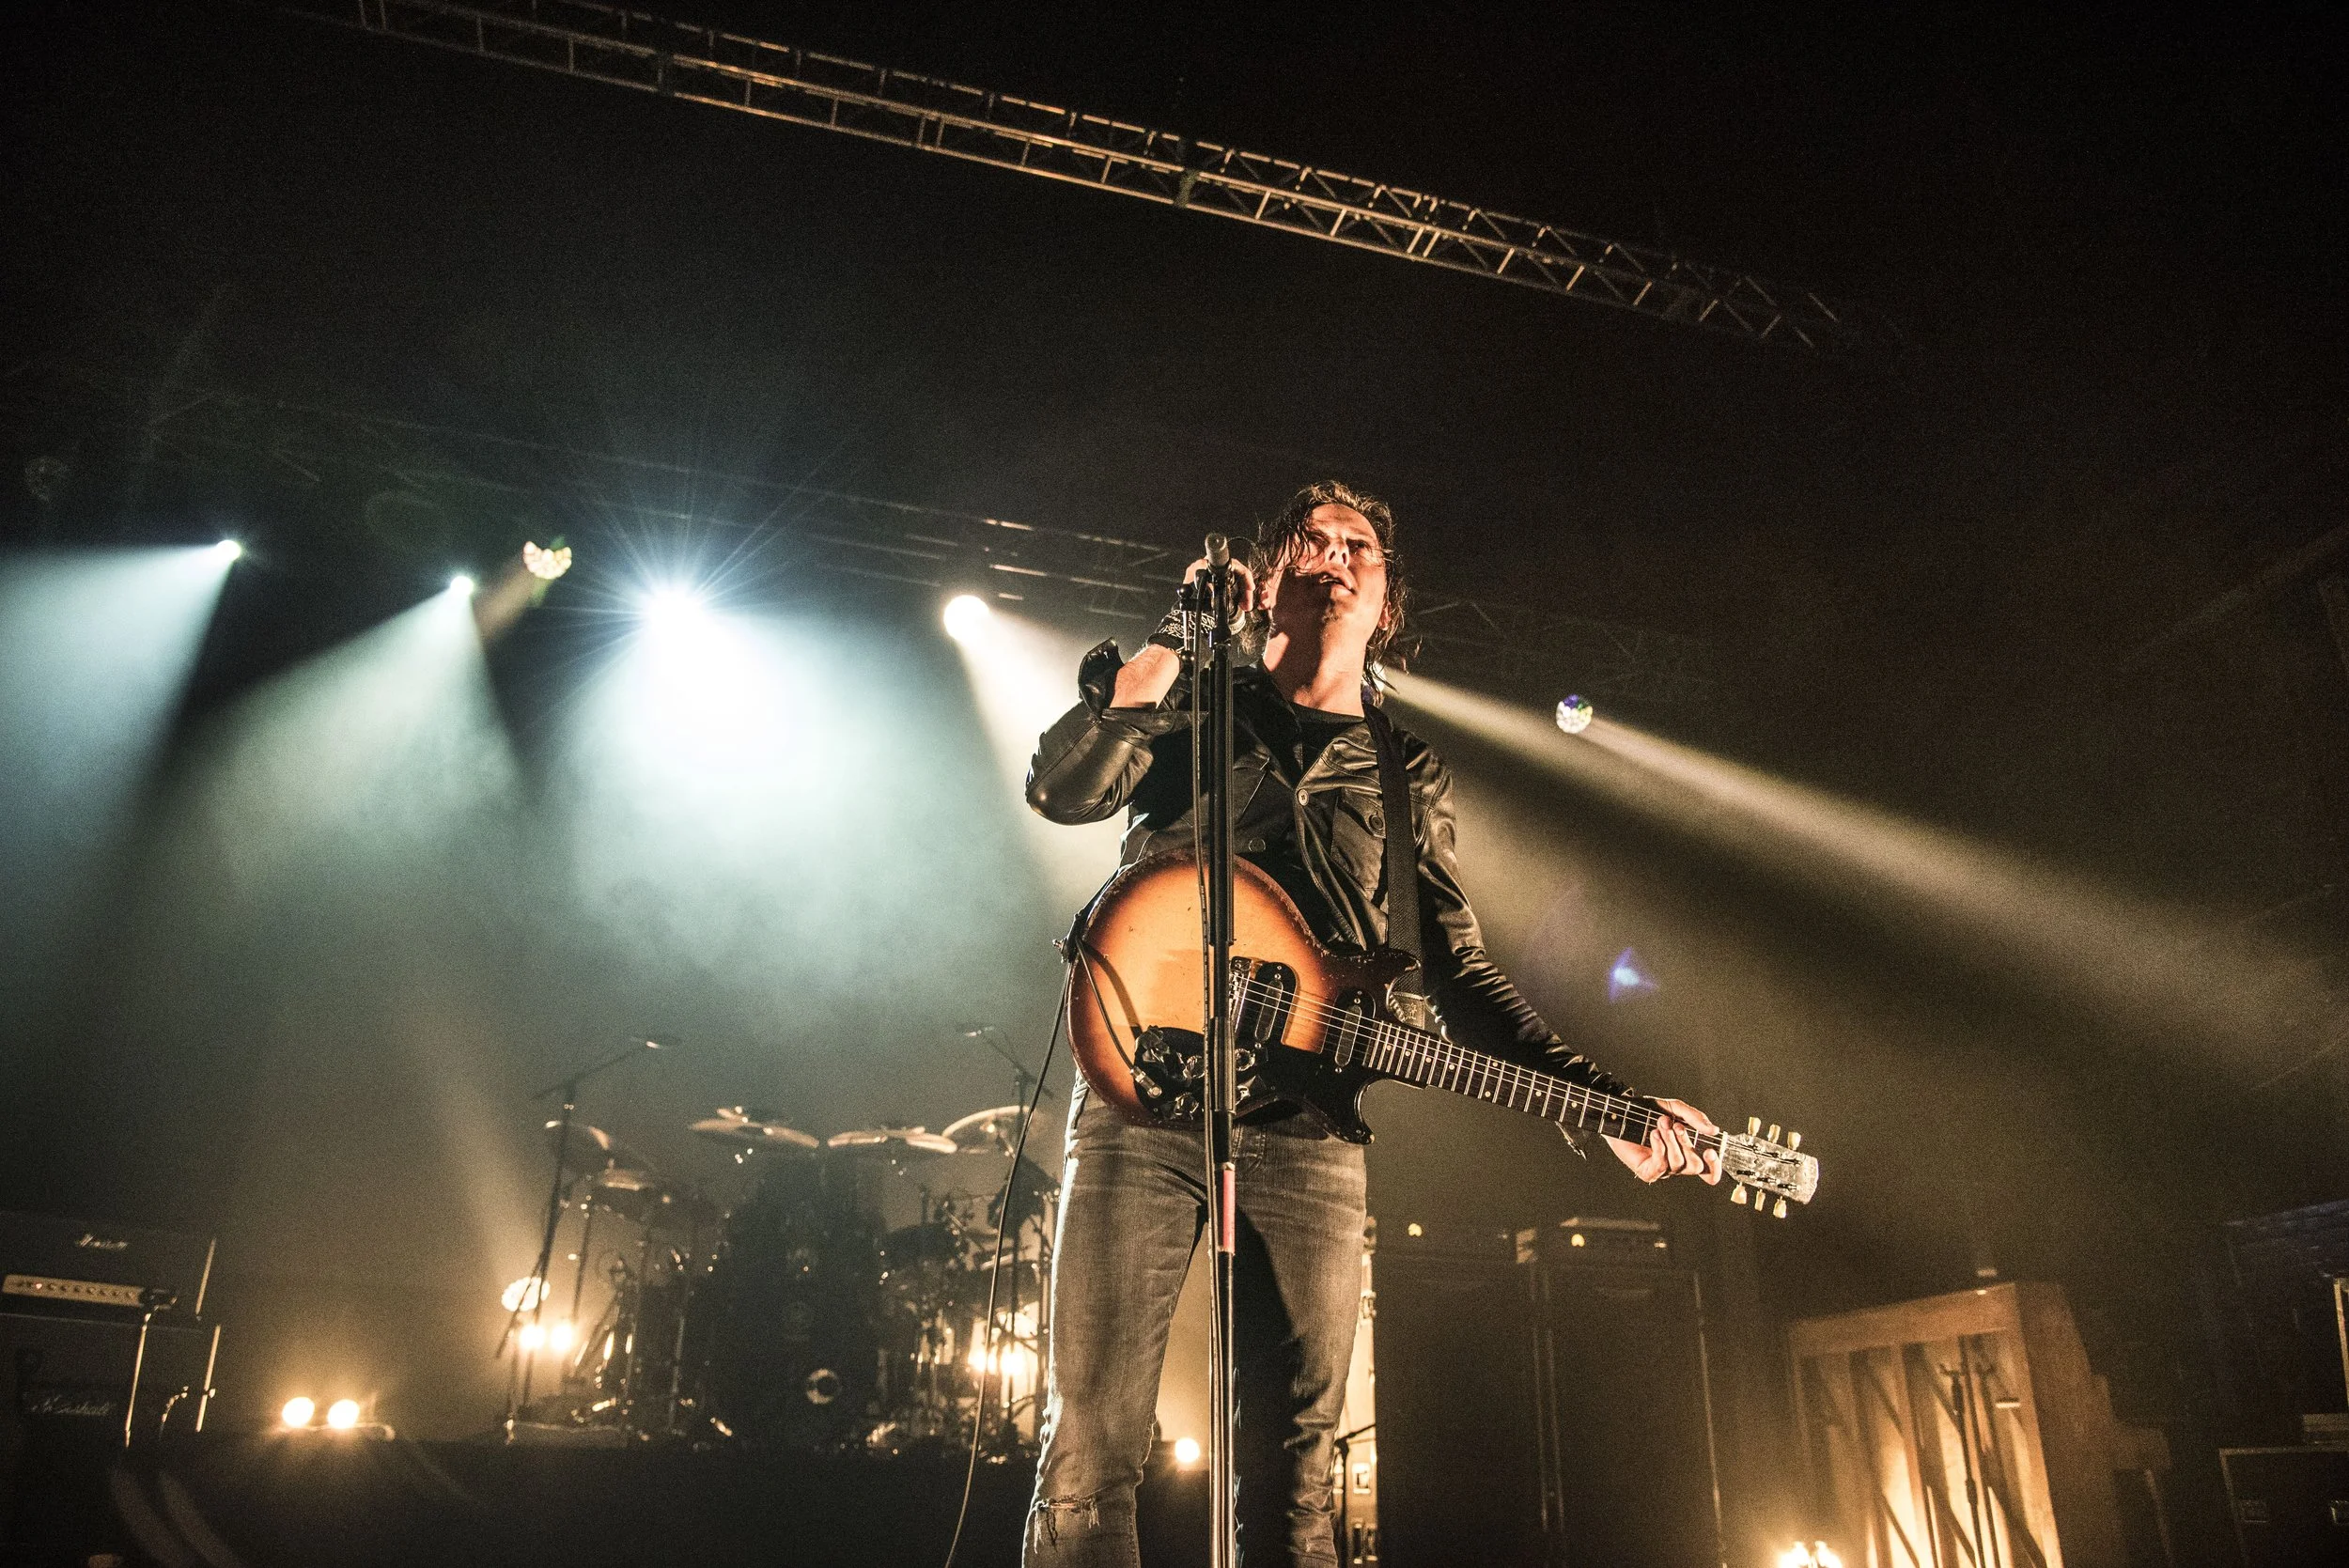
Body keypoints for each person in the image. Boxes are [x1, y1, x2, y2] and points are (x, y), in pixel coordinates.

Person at [1020, 480, 1721, 1567]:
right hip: (1143, 1099)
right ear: (1265, 582)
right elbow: (1063, 790)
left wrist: (1611, 1106)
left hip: (1311, 1136)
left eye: (1359, 547)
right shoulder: (1193, 708)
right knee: (1089, 1458)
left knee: (1297, 1480)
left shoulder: (1407, 773)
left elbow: (1461, 976)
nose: (1335, 557)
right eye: (1309, 542)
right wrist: (1175, 631)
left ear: (1385, 601)